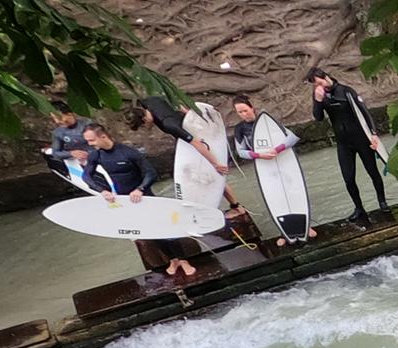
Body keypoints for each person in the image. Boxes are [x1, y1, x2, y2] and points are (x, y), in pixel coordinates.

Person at [80, 124, 199, 278]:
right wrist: (102, 190)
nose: (90, 144)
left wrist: (140, 189)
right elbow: (86, 176)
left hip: (145, 197)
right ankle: (173, 260)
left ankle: (184, 260)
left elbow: (150, 173)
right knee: (150, 232)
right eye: (88, 141)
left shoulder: (127, 152)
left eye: (92, 140)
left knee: (164, 229)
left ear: (103, 136)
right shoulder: (96, 155)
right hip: (126, 200)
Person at [228, 95, 317, 246]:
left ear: (252, 108)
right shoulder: (240, 129)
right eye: (239, 112)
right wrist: (259, 155)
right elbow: (241, 152)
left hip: (283, 161)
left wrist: (278, 149)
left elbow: (293, 138)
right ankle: (283, 232)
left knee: (294, 191)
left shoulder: (268, 122)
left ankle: (306, 226)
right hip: (265, 167)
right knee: (275, 196)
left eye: (245, 110)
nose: (243, 114)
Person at [308, 68, 389, 224]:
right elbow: (318, 118)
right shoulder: (319, 95)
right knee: (348, 178)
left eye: (319, 82)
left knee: (372, 171)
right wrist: (318, 101)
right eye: (315, 85)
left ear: (326, 77)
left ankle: (382, 201)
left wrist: (373, 134)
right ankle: (359, 208)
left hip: (361, 139)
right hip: (343, 143)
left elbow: (364, 112)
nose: (319, 86)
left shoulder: (346, 91)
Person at [40, 101, 92, 178]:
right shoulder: (58, 132)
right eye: (54, 119)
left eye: (59, 118)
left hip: (94, 157)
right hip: (77, 161)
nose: (57, 121)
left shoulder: (88, 124)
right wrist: (71, 153)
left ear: (69, 114)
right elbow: (56, 153)